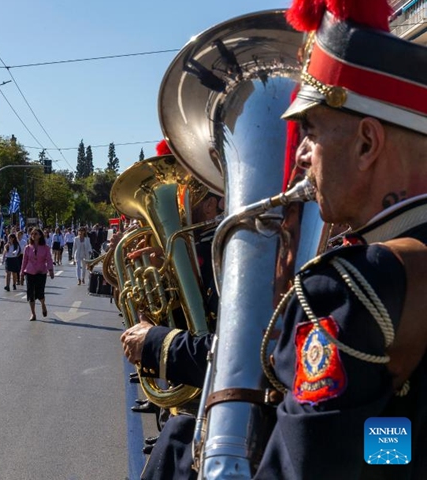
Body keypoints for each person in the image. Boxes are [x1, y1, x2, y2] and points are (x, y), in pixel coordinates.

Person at [125, 2, 427, 478]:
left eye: (309, 132)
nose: (301, 156)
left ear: (367, 143)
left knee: (181, 441)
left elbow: (300, 467)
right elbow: (398, 438)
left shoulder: (348, 288)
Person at [20, 228, 54, 321]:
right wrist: (22, 273)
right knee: (31, 293)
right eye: (32, 234)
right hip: (30, 272)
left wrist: (50, 270)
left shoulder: (45, 247)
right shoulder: (27, 248)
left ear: (40, 236)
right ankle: (33, 313)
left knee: (40, 292)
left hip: (41, 272)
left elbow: (49, 259)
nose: (34, 235)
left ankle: (43, 304)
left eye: (36, 233)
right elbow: (24, 261)